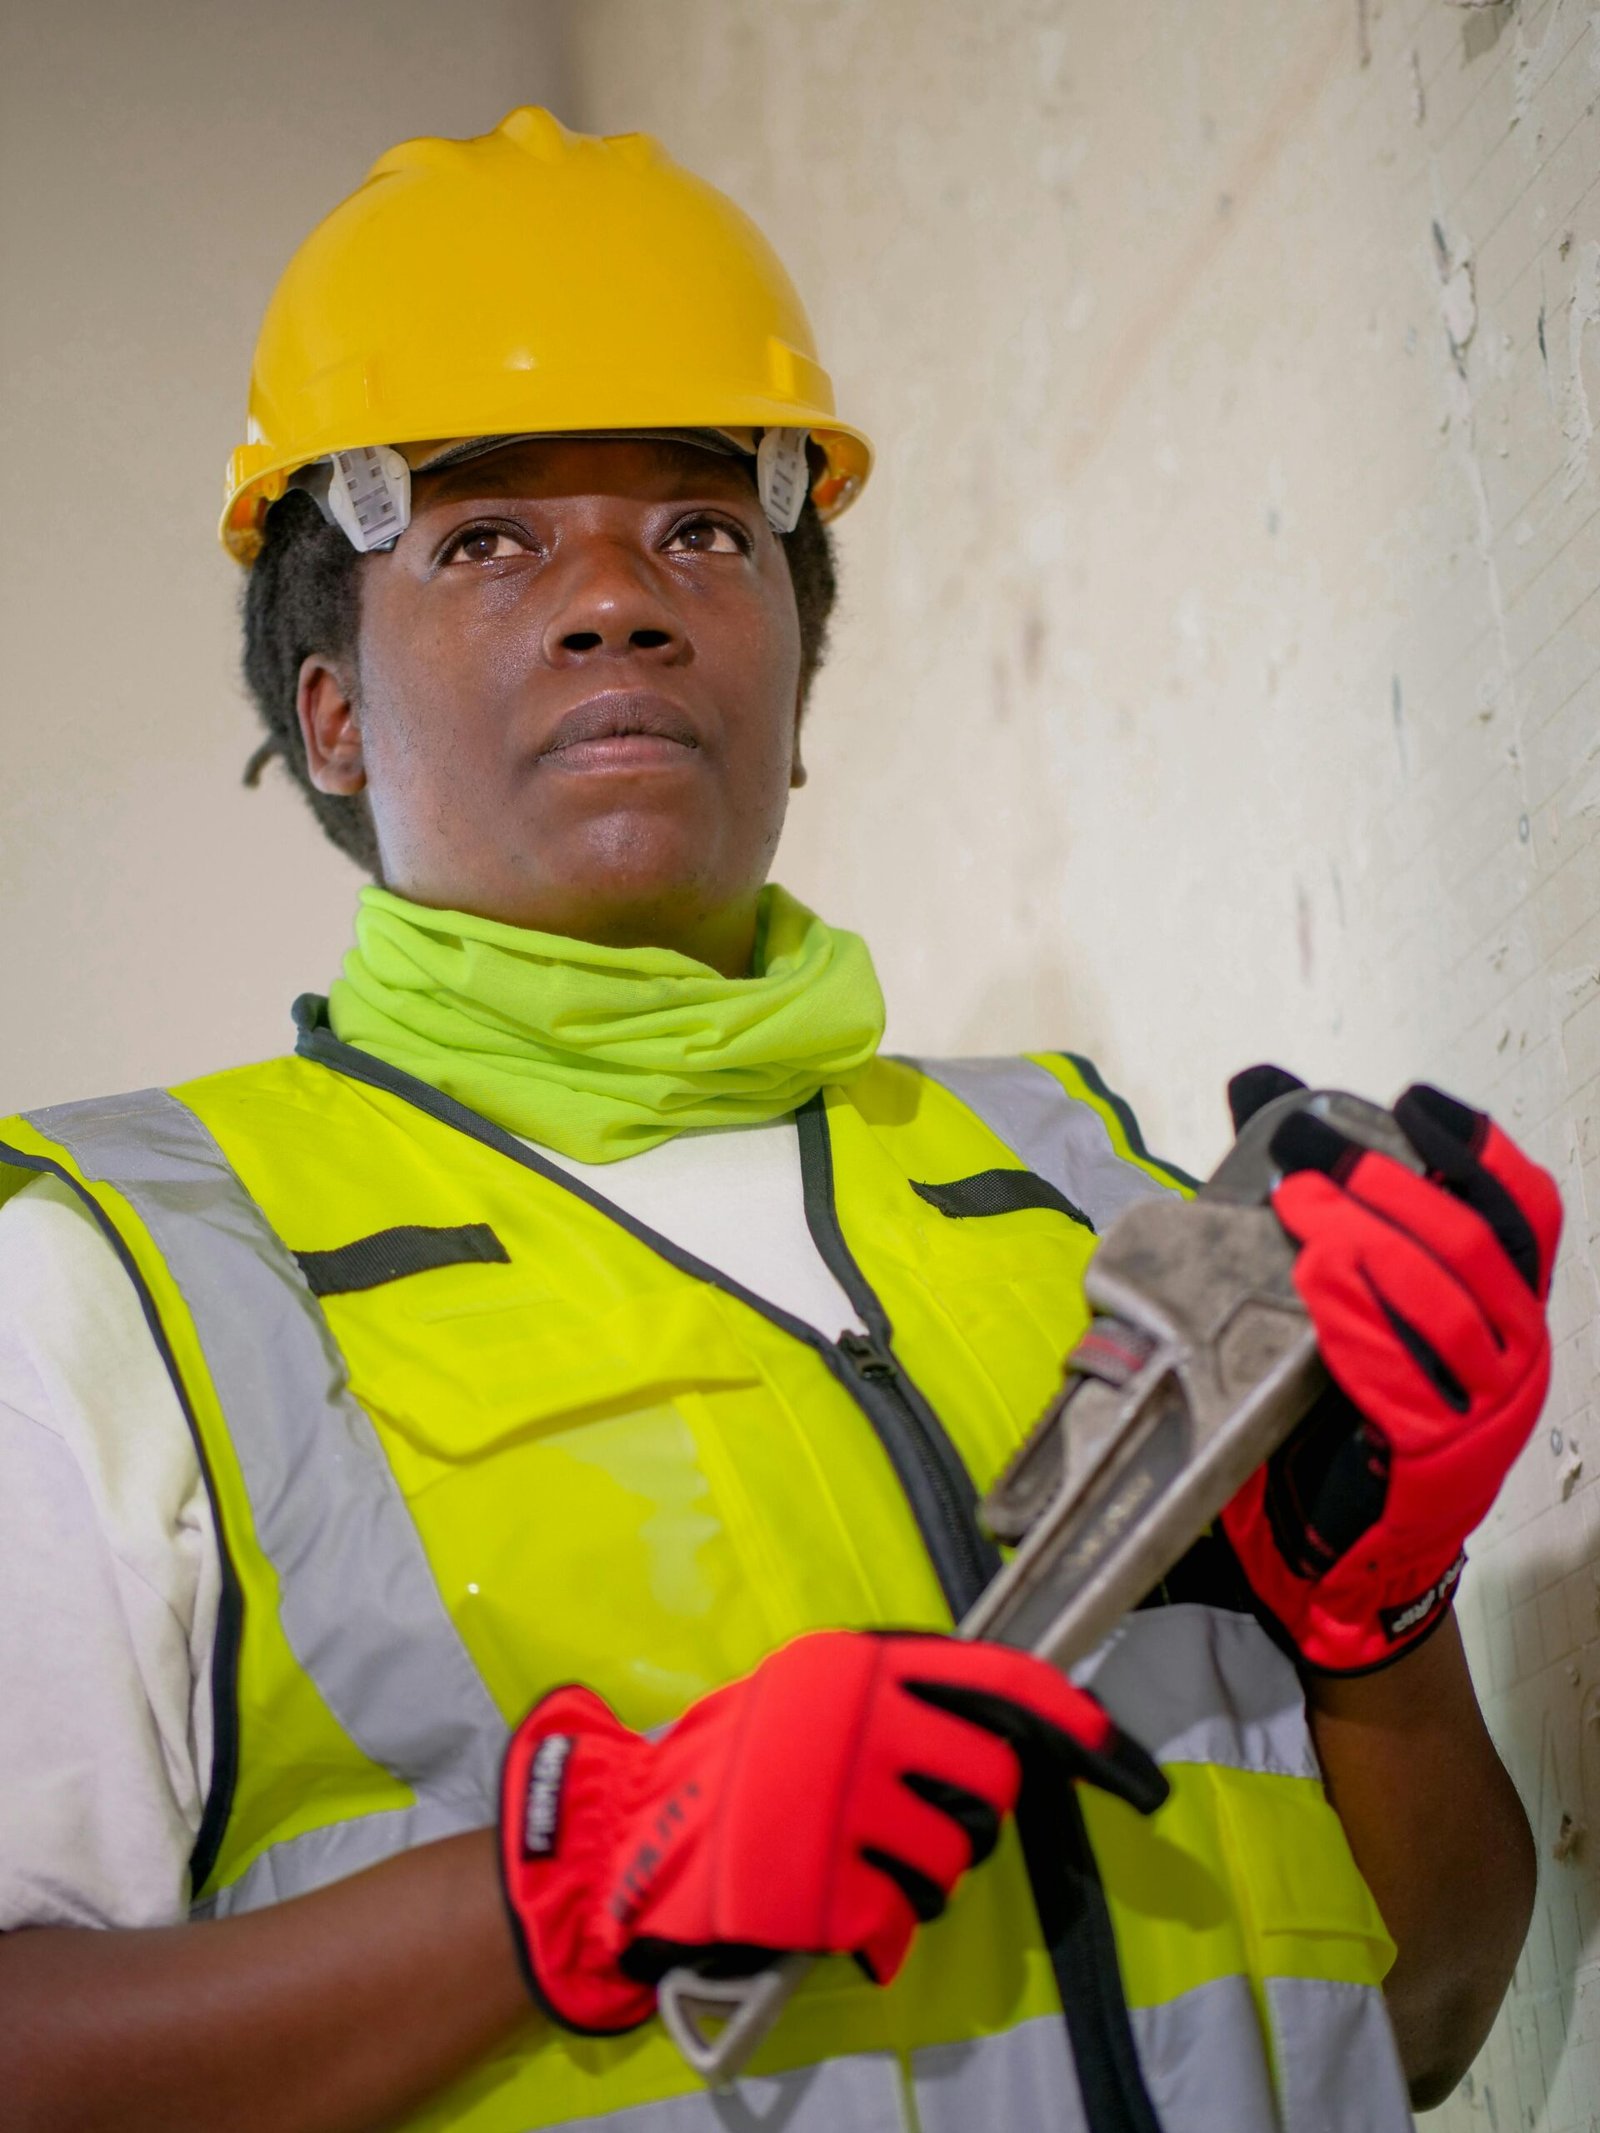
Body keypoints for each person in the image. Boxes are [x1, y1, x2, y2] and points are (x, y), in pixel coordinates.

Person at [0, 109, 1558, 2133]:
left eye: (702, 531)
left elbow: (1424, 2006)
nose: (615, 602)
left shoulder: (1100, 1204)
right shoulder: (123, 1288)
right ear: (323, 709)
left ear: (799, 675)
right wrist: (575, 1879)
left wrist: (1379, 1609)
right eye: (484, 538)